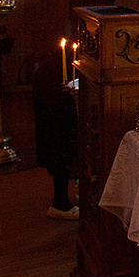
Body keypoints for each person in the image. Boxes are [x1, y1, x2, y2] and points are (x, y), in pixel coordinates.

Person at [31, 49, 78, 218]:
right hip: (55, 109)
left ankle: (79, 191)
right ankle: (60, 203)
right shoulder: (52, 70)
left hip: (59, 99)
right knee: (62, 147)